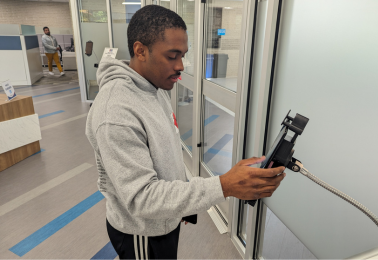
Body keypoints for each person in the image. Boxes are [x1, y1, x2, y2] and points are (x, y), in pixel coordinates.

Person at [85, 5, 285, 260]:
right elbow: (141, 198)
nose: (181, 66)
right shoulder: (115, 112)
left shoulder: (153, 88)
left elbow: (164, 155)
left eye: (183, 55)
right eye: (172, 55)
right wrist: (223, 186)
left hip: (164, 220)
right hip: (143, 234)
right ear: (140, 51)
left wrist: (181, 207)